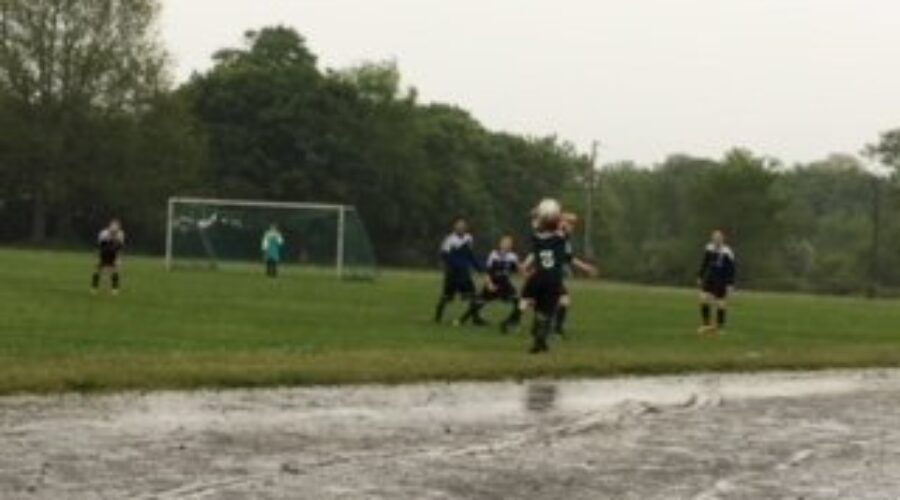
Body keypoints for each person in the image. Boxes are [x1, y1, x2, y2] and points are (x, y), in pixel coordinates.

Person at [553, 212, 598, 336]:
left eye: (573, 225)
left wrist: (586, 267)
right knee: (561, 301)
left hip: (554, 275)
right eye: (570, 224)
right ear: (562, 224)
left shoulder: (564, 238)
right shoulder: (557, 236)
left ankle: (555, 328)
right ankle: (555, 329)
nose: (572, 227)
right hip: (549, 275)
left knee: (562, 301)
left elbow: (568, 258)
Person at [459, 235, 520, 326]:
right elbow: (487, 272)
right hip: (493, 283)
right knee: (478, 303)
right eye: (505, 243)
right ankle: (462, 320)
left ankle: (511, 321)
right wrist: (490, 284)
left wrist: (527, 272)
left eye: (509, 243)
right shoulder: (493, 254)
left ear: (511, 246)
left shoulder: (513, 257)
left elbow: (518, 269)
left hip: (505, 285)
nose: (507, 245)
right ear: (500, 244)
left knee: (518, 302)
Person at [434, 218, 484, 324]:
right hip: (452, 273)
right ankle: (438, 317)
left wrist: (478, 267)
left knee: (473, 295)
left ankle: (476, 318)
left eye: (463, 226)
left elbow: (470, 255)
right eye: (458, 226)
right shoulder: (449, 239)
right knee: (447, 297)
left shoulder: (469, 238)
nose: (461, 227)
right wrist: (451, 267)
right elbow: (444, 255)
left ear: (466, 227)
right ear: (454, 227)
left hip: (464, 273)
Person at [697, 229, 736, 334]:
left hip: (722, 280)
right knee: (703, 298)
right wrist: (700, 276)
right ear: (712, 239)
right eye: (715, 238)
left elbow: (731, 269)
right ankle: (706, 324)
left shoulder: (727, 251)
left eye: (719, 238)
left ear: (722, 239)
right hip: (710, 278)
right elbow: (705, 263)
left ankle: (720, 327)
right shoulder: (709, 248)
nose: (717, 240)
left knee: (721, 303)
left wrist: (730, 284)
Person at [91, 219, 126, 295]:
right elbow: (99, 247)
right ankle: (94, 288)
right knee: (97, 269)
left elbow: (120, 248)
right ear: (109, 228)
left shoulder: (121, 235)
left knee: (115, 270)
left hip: (113, 253)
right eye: (112, 231)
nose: (114, 233)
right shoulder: (103, 234)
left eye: (115, 232)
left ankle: (115, 289)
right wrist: (97, 257)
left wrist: (118, 258)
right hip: (104, 252)